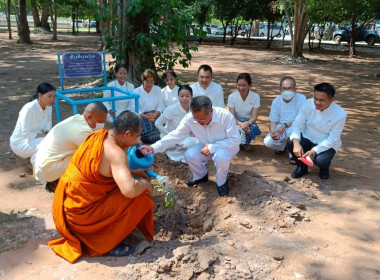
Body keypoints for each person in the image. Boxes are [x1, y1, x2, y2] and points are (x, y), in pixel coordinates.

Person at [48, 110, 154, 263]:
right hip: (81, 217)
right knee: (141, 196)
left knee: (123, 186)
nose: (138, 141)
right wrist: (145, 184)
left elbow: (104, 169)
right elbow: (129, 190)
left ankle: (114, 228)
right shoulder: (116, 153)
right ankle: (105, 242)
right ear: (126, 134)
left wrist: (132, 171)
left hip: (66, 206)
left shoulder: (96, 135)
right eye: (136, 136)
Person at [140, 96, 240, 197]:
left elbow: (235, 140)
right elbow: (176, 135)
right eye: (196, 119)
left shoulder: (225, 116)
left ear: (211, 111)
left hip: (227, 147)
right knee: (189, 155)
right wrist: (153, 147)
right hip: (204, 144)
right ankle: (201, 176)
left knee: (220, 156)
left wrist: (211, 147)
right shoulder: (190, 118)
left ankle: (221, 182)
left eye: (202, 120)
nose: (198, 122)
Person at [34, 102, 108, 193]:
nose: (103, 125)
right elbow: (101, 154)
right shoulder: (82, 131)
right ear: (89, 117)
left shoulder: (76, 119)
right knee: (88, 157)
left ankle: (57, 182)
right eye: (101, 121)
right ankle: (58, 183)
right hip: (48, 168)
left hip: (42, 164)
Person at [287, 83, 347, 180]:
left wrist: (314, 151)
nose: (317, 102)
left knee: (321, 160)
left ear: (331, 100)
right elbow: (297, 123)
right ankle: (301, 167)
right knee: (291, 142)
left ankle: (324, 169)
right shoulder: (308, 103)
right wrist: (296, 142)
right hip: (307, 136)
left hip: (325, 142)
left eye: (321, 100)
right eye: (315, 98)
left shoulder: (340, 114)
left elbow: (333, 139)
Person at [10, 82, 56, 166]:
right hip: (20, 143)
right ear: (39, 95)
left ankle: (33, 162)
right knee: (49, 142)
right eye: (49, 96)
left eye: (53, 96)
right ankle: (36, 165)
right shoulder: (28, 108)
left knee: (52, 140)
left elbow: (48, 126)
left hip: (34, 140)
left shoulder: (48, 107)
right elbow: (26, 134)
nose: (52, 99)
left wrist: (48, 135)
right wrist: (45, 136)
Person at [263, 76, 306, 164]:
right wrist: (273, 132)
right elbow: (273, 120)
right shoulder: (276, 101)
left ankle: (293, 154)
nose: (286, 91)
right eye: (284, 88)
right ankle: (283, 147)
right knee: (268, 142)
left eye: (289, 88)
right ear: (280, 89)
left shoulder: (301, 99)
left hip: (297, 127)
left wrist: (285, 125)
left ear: (295, 89)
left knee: (292, 132)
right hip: (281, 127)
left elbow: (302, 119)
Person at [155, 85, 198, 163]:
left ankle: (186, 156)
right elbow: (158, 123)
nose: (184, 98)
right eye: (182, 96)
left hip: (186, 138)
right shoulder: (171, 109)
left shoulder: (194, 109)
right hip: (172, 138)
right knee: (177, 146)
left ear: (192, 96)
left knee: (196, 142)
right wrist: (169, 134)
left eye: (187, 96)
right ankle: (176, 157)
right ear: (178, 96)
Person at [227, 73, 261, 151]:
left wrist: (247, 123)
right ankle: (239, 141)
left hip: (249, 123)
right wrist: (240, 124)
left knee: (249, 129)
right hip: (236, 122)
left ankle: (246, 142)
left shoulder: (255, 97)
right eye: (239, 85)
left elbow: (254, 118)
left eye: (244, 85)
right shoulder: (232, 97)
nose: (241, 88)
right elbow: (232, 117)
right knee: (234, 129)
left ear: (249, 86)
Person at [133, 69, 164, 144]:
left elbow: (161, 105)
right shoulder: (136, 92)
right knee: (146, 127)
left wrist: (154, 115)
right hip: (142, 116)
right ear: (143, 80)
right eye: (147, 81)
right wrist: (146, 117)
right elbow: (135, 109)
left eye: (152, 81)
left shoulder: (157, 89)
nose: (150, 84)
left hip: (155, 114)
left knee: (163, 124)